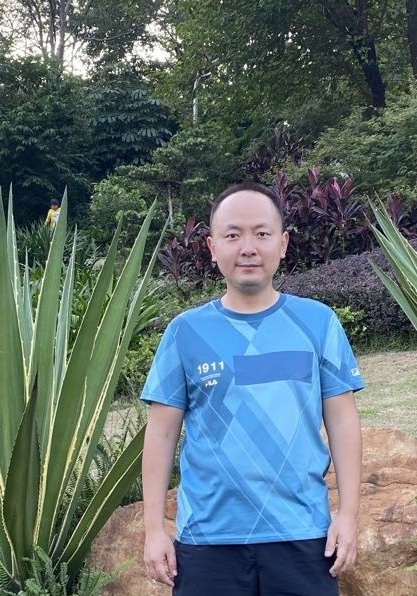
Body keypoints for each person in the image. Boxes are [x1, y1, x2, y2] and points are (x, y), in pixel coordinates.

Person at [141, 181, 364, 596]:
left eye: (262, 233)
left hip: (303, 534)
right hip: (208, 540)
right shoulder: (185, 332)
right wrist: (154, 528)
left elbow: (343, 422)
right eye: (232, 235)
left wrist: (348, 514)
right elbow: (161, 433)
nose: (248, 248)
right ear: (212, 247)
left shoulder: (318, 323)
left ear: (283, 243)